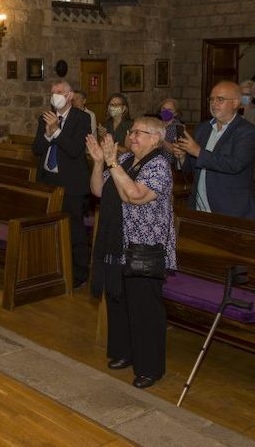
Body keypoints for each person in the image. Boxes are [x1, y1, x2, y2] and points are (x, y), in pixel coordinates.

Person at [86, 117, 176, 389]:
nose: (132, 136)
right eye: (132, 131)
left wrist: (112, 163)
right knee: (119, 301)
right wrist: (99, 162)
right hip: (118, 245)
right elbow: (98, 190)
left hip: (144, 248)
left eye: (139, 132)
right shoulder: (126, 160)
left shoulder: (159, 165)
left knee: (144, 309)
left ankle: (149, 367)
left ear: (155, 139)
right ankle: (124, 352)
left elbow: (134, 195)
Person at [31, 80, 91, 287]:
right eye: (52, 92)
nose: (54, 95)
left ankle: (79, 274)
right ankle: (53, 267)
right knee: (49, 226)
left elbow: (74, 149)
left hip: (71, 182)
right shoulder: (46, 117)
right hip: (48, 179)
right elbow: (36, 149)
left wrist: (56, 131)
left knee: (74, 229)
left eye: (58, 92)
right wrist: (48, 134)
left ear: (69, 96)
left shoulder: (81, 118)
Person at [174, 81, 255, 220]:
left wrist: (198, 152)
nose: (214, 104)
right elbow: (194, 165)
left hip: (230, 209)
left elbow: (235, 164)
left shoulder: (247, 131)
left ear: (235, 103)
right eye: (212, 99)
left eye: (220, 99)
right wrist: (183, 157)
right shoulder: (203, 128)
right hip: (198, 205)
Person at [158, 97, 185, 166]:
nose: (166, 112)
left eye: (170, 110)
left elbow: (176, 150)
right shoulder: (157, 124)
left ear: (175, 113)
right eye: (163, 108)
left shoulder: (178, 127)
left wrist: (160, 139)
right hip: (157, 161)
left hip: (170, 164)